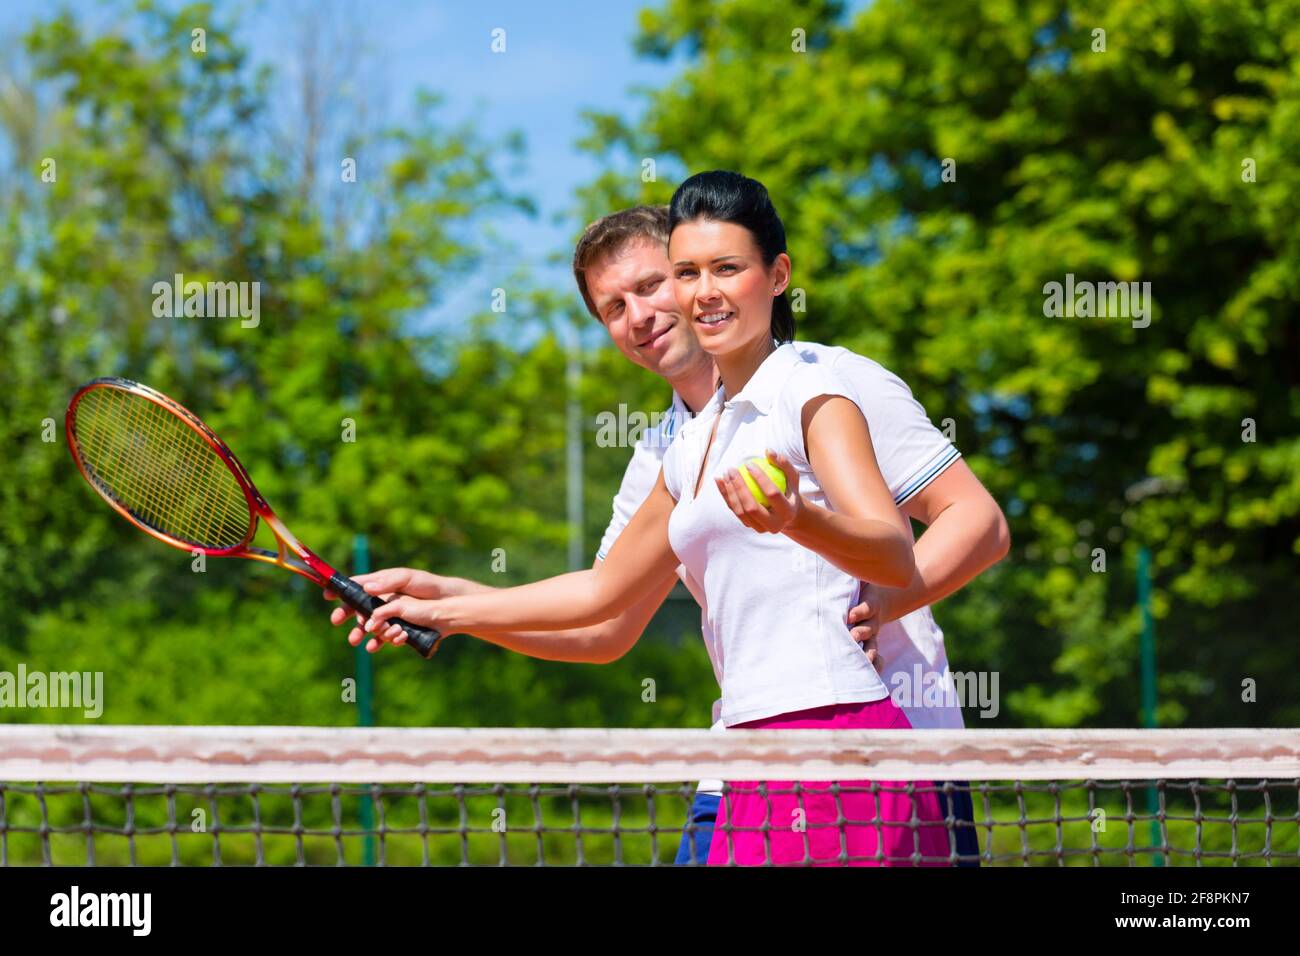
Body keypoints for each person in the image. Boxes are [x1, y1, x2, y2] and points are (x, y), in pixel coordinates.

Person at [340, 170, 1008, 865]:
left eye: (657, 282)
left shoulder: (830, 381)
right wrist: (448, 600)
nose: (641, 312)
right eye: (612, 306)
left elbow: (977, 522)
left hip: (884, 740)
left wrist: (880, 600)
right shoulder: (673, 451)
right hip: (743, 753)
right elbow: (603, 614)